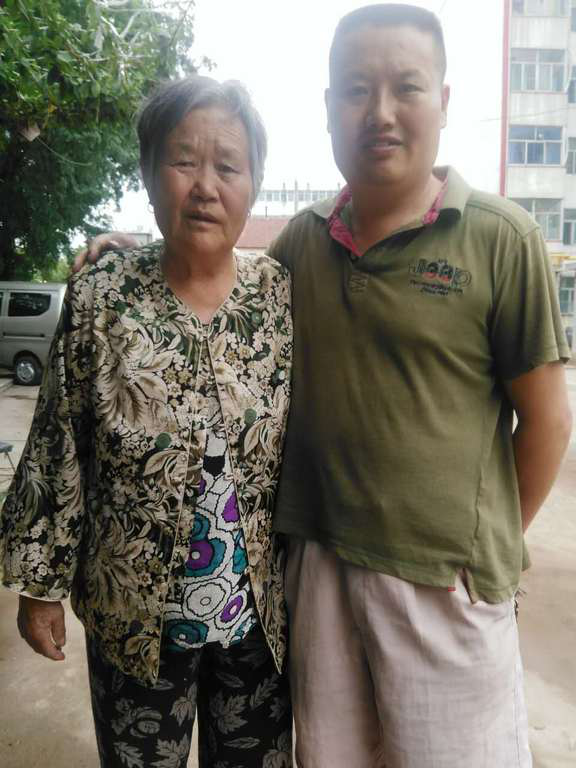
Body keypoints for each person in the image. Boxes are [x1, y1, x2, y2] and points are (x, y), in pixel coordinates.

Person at [77, 5, 573, 767]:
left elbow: (546, 421)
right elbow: (216, 273)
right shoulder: (304, 243)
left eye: (406, 86)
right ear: (329, 107)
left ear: (443, 101)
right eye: (356, 90)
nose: (380, 112)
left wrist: (485, 549)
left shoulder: (500, 237)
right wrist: (135, 252)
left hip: (444, 585)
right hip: (317, 573)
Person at [0, 76, 293, 768]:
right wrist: (40, 587)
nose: (205, 186)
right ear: (148, 171)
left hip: (257, 623)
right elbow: (58, 445)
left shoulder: (279, 295)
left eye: (228, 166)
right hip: (133, 619)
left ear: (254, 183)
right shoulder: (101, 295)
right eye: (183, 160)